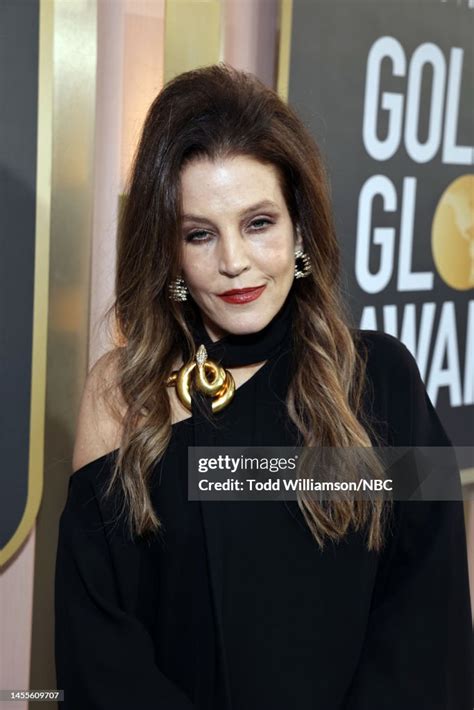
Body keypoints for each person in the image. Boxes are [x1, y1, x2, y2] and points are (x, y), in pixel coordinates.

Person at [54, 63, 472, 710]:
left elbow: (426, 620)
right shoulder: (121, 392)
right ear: (168, 252)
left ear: (300, 229)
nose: (233, 262)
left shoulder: (383, 378)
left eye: (258, 223)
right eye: (199, 233)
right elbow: (99, 647)